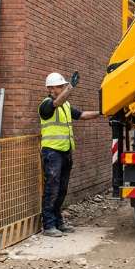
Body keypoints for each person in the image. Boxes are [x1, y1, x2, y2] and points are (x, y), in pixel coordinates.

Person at [40, 72, 101, 236]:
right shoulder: (46, 105)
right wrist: (71, 87)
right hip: (52, 152)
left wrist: (102, 112)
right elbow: (56, 103)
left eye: (63, 86)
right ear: (51, 89)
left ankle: (58, 222)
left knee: (62, 189)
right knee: (52, 188)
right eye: (60, 86)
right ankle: (48, 225)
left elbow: (82, 115)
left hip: (65, 151)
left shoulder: (66, 106)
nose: (63, 89)